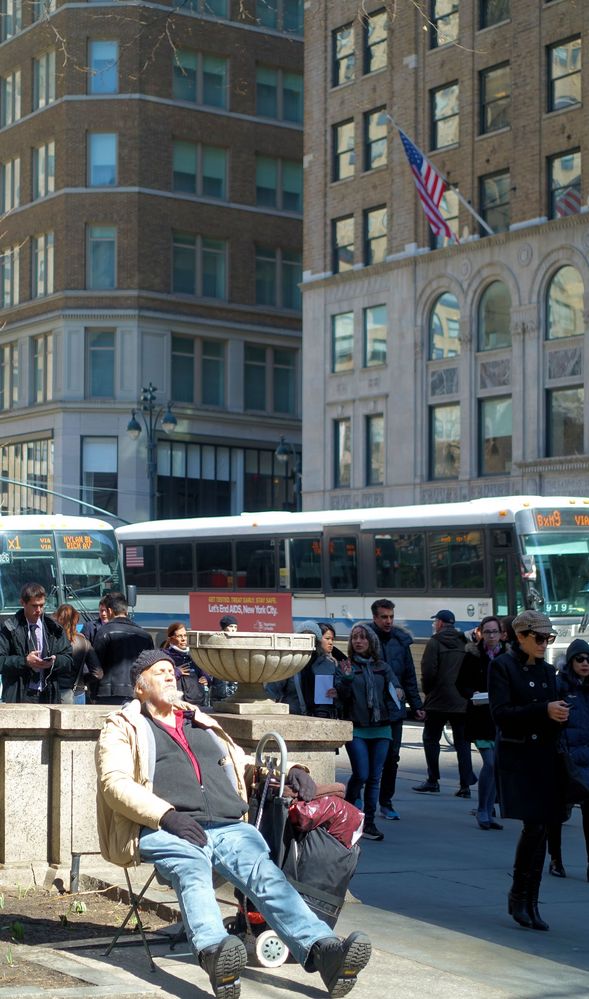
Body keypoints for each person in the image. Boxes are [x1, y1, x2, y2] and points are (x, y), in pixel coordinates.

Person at [95, 650, 372, 999]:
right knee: (192, 864)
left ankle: (324, 950)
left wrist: (294, 770)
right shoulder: (123, 725)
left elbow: (241, 761)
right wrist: (166, 815)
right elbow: (114, 783)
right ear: (140, 686)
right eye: (160, 671)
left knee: (265, 874)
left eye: (171, 671)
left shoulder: (199, 720)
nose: (170, 676)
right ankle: (215, 953)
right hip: (164, 826)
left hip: (227, 825)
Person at [488, 609, 569, 931]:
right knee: (534, 827)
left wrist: (561, 713)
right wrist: (544, 710)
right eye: (538, 637)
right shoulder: (503, 667)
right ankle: (519, 897)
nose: (543, 643)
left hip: (547, 757)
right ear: (520, 636)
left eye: (548, 637)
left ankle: (530, 901)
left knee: (545, 828)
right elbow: (501, 713)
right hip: (520, 758)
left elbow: (553, 710)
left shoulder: (550, 671)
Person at [335, 624, 401, 842]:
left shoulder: (382, 667)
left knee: (374, 777)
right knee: (361, 774)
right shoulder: (346, 666)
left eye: (363, 637)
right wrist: (346, 680)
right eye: (355, 637)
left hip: (381, 728)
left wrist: (399, 692)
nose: (358, 641)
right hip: (357, 728)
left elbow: (395, 690)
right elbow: (341, 698)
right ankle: (348, 812)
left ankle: (369, 823)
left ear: (371, 642)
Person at [365, 599, 425, 820]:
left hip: (395, 709)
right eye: (383, 617)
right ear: (375, 618)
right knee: (371, 760)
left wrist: (417, 705)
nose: (388, 621)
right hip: (371, 709)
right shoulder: (365, 639)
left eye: (390, 616)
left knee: (392, 757)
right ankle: (366, 801)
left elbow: (408, 676)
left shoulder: (400, 641)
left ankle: (386, 802)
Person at [412, 609, 476, 797]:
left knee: (431, 739)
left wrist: (428, 692)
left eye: (435, 622)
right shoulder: (465, 642)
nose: (434, 625)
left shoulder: (434, 642)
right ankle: (465, 786)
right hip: (461, 701)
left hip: (438, 700)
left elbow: (429, 671)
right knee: (463, 743)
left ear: (440, 623)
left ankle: (433, 780)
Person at [456, 616, 505, 830]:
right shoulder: (473, 655)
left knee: (498, 767)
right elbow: (460, 683)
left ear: (502, 634)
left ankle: (489, 810)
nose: (491, 636)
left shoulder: (508, 655)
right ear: (481, 633)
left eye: (495, 632)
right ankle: (483, 809)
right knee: (491, 763)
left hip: (502, 718)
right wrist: (472, 694)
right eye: (488, 632)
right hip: (480, 716)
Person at [547, 638, 589, 881]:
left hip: (587, 759)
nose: (585, 664)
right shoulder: (560, 685)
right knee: (558, 813)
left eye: (588, 659)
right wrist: (562, 751)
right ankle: (555, 858)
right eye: (580, 659)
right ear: (571, 661)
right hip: (566, 760)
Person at [0, 582, 73, 703]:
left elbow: (69, 660)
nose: (39, 610)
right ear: (23, 603)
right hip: (20, 696)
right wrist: (25, 662)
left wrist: (55, 661)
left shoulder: (54, 628)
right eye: (34, 606)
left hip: (48, 694)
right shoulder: (9, 628)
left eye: (42, 605)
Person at [93, 592, 153, 704]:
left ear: (110, 611)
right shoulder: (145, 635)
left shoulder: (104, 632)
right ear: (126, 610)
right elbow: (149, 666)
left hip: (108, 693)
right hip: (136, 693)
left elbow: (95, 666)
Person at [264, 620, 327, 714]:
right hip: (293, 717)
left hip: (320, 717)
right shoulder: (288, 663)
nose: (307, 641)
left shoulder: (326, 664)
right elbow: (271, 692)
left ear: (317, 641)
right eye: (303, 637)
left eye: (311, 637)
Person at [53, 604, 103, 704]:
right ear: (76, 621)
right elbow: (98, 673)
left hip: (54, 691)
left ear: (57, 619)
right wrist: (83, 680)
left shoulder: (50, 640)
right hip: (77, 690)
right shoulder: (84, 642)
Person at [299, 622, 342, 719]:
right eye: (327, 638)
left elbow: (344, 690)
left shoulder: (335, 663)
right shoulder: (296, 662)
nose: (331, 642)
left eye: (332, 639)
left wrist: (338, 692)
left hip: (325, 715)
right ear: (317, 639)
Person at [161, 621, 205, 706]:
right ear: (171, 638)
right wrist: (177, 672)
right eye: (179, 636)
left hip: (196, 703)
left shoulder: (194, 655)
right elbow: (160, 678)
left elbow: (203, 673)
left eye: (185, 635)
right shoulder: (164, 656)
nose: (183, 639)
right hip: (174, 705)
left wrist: (205, 679)